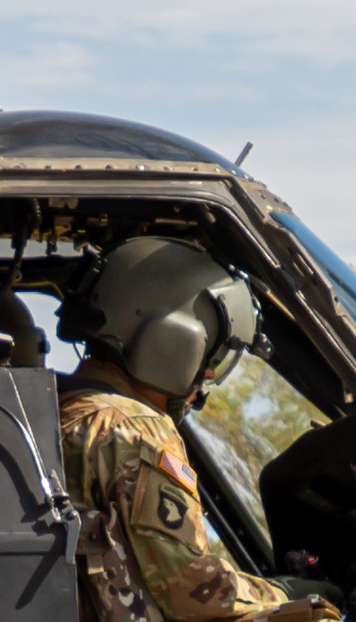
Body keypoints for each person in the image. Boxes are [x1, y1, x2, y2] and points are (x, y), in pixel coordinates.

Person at [59, 236, 336, 622]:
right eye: (212, 355)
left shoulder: (62, 408)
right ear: (173, 338)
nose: (208, 376)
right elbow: (189, 588)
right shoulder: (133, 428)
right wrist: (289, 591)